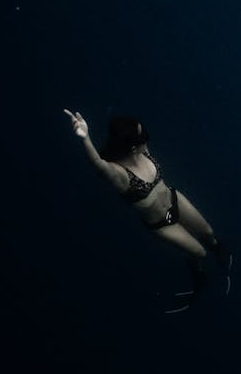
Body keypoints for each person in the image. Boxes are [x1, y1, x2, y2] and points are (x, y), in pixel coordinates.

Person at [63, 111, 231, 312]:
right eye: (143, 138)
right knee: (198, 252)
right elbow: (99, 165)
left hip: (174, 201)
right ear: (133, 147)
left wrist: (131, 125)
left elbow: (129, 129)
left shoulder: (142, 150)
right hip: (161, 223)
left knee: (208, 233)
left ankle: (219, 250)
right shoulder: (120, 175)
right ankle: (200, 279)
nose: (147, 140)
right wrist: (85, 139)